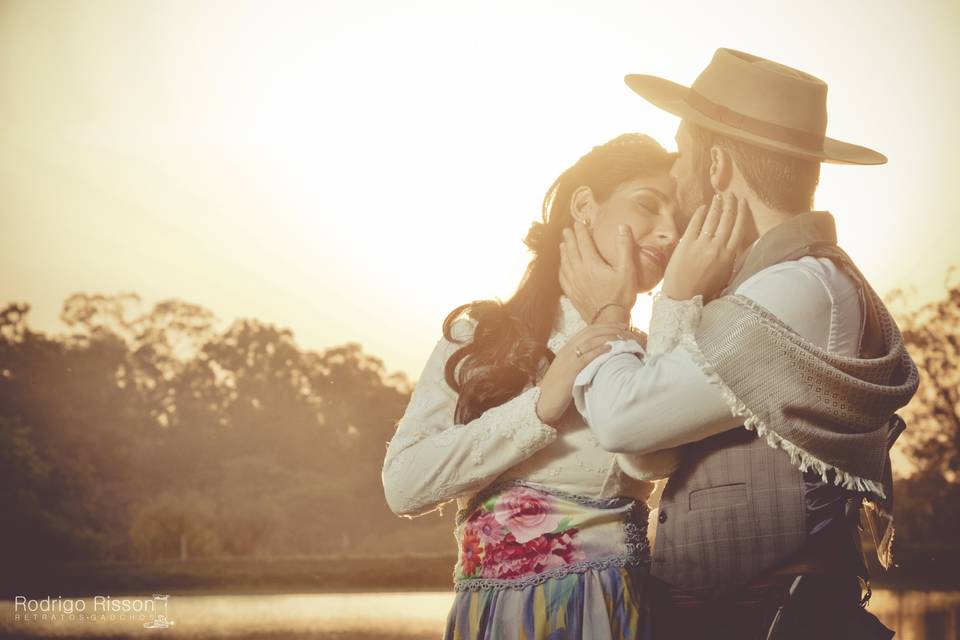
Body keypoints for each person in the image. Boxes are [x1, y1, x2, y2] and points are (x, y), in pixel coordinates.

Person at [561, 48, 919, 638]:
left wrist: (611, 309)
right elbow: (644, 455)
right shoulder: (757, 291)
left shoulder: (799, 288)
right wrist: (677, 297)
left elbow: (622, 421)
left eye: (683, 152)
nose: (675, 175)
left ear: (718, 165)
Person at [381, 133, 685, 639]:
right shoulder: (480, 333)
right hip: (492, 619)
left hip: (603, 611)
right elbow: (404, 484)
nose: (668, 233)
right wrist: (540, 407)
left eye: (680, 223)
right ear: (585, 204)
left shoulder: (646, 357)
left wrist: (612, 322)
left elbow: (648, 462)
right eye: (648, 206)